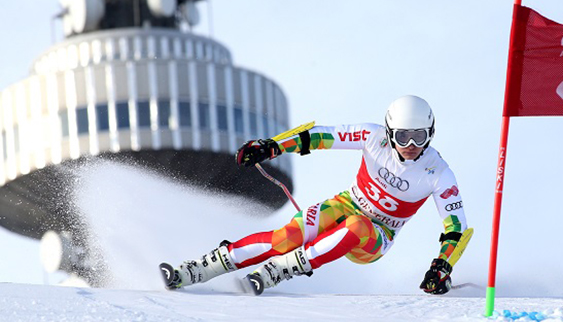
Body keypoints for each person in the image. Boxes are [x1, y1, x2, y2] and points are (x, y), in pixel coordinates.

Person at [160, 95, 469, 295]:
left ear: (431, 133)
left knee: (358, 227)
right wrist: (273, 146)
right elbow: (320, 136)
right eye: (403, 136)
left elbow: (455, 227)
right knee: (285, 237)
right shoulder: (372, 137)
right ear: (390, 132)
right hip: (346, 205)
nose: (411, 144)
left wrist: (441, 267)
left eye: (420, 136)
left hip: (377, 236)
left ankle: (285, 269)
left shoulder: (439, 172)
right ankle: (197, 269)